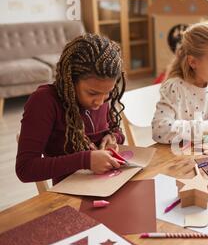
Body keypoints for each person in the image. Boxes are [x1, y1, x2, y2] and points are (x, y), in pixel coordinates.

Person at [16, 33, 126, 185]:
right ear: (70, 80)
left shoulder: (102, 97)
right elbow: (25, 169)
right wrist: (85, 160)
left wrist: (113, 137)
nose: (100, 102)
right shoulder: (44, 102)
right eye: (92, 93)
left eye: (107, 92)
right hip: (69, 194)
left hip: (109, 182)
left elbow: (115, 130)